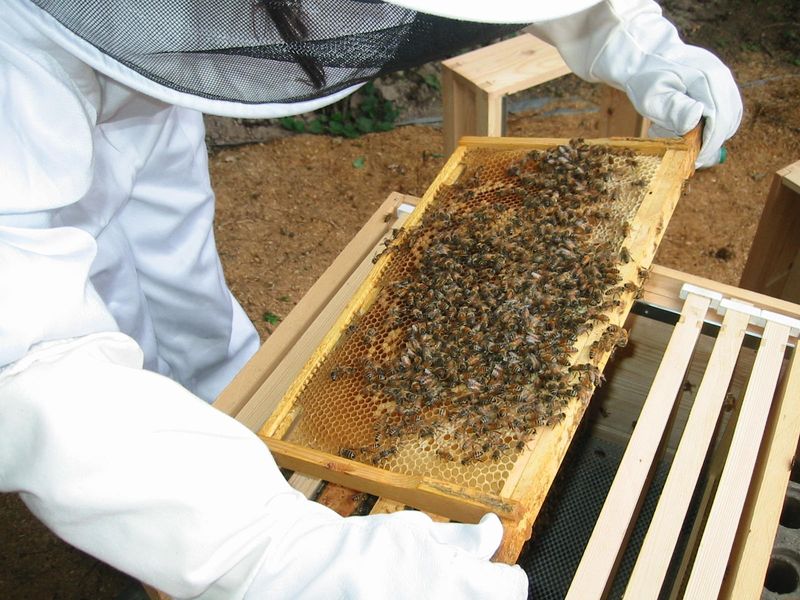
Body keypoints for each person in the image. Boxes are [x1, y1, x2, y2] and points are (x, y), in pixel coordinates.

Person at [0, 1, 741, 598]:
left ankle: (225, 425)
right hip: (39, 51)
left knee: (173, 261)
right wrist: (263, 554)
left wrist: (628, 34)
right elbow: (24, 363)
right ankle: (164, 529)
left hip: (160, 53)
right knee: (90, 307)